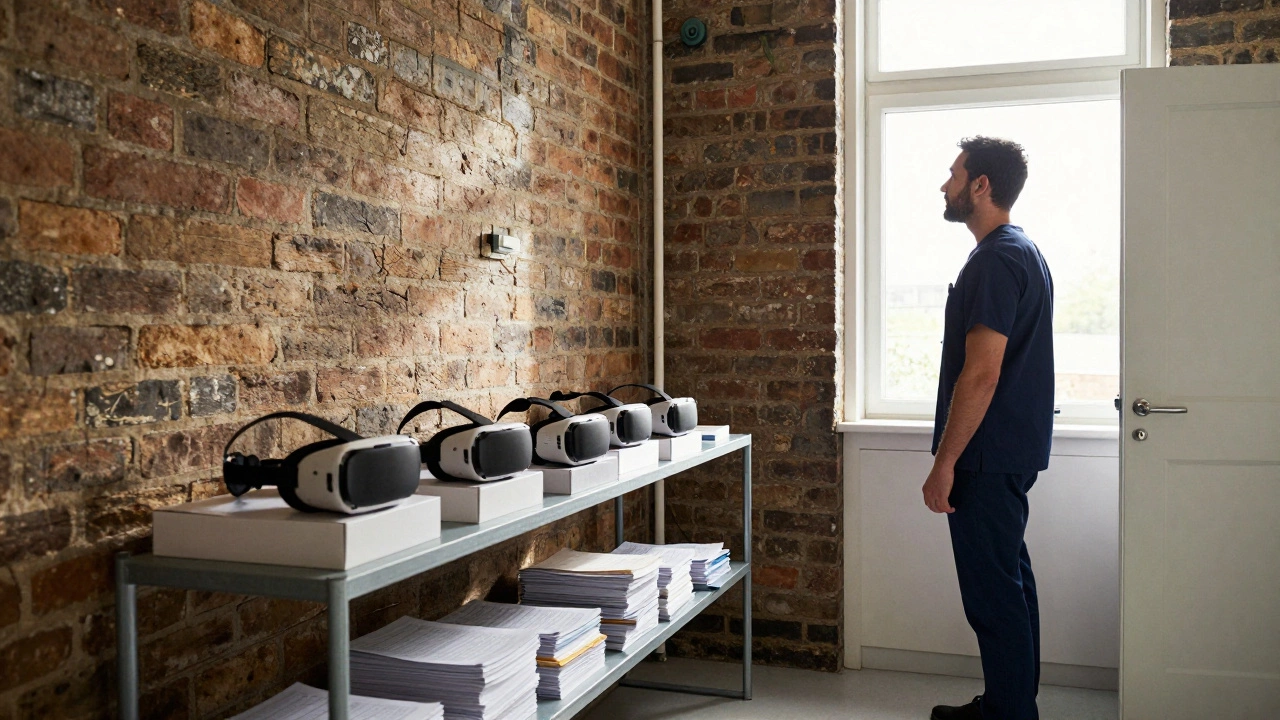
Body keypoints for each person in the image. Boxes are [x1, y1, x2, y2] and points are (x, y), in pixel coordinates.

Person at [925, 137, 1054, 720]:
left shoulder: (998, 260)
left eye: (953, 175)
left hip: (984, 455)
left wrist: (944, 464)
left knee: (993, 594)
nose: (945, 186)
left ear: (981, 185)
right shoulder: (1021, 251)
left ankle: (1010, 714)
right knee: (1010, 583)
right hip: (1008, 452)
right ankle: (1009, 703)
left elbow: (981, 375)